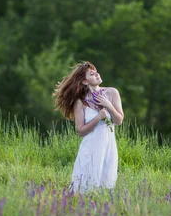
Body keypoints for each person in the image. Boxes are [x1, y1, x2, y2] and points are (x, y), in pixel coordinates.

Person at [53, 61, 124, 194]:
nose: (97, 74)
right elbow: (80, 131)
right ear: (85, 82)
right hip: (90, 147)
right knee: (85, 185)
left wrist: (108, 105)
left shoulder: (112, 93)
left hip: (108, 146)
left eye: (96, 71)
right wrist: (98, 118)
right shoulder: (81, 102)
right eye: (92, 74)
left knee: (106, 183)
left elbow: (119, 120)